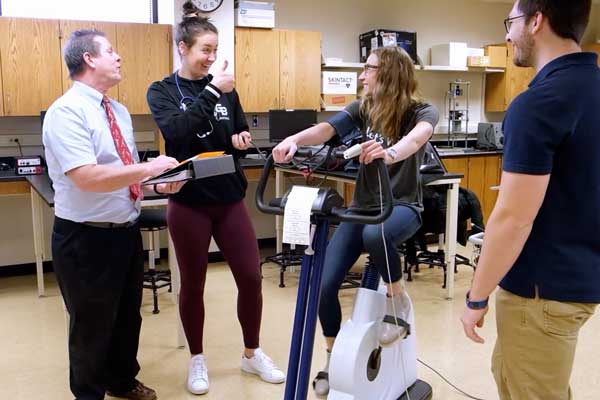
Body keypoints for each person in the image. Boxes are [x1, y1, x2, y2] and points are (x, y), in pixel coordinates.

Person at [272, 46, 439, 395]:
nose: (362, 76)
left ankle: (396, 299)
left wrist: (388, 153)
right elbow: (325, 131)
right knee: (324, 284)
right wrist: (292, 140)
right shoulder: (364, 109)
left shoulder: (421, 111)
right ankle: (333, 358)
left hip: (403, 205)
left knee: (375, 238)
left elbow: (417, 138)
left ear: (390, 74)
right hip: (363, 208)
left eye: (369, 69)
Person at [461, 1, 600, 399]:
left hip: (540, 292)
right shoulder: (591, 86)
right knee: (518, 376)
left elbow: (512, 220)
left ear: (537, 21)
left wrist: (477, 295)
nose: (507, 35)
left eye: (512, 22)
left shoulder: (538, 103)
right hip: (580, 277)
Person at [146, 1, 285, 395]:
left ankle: (251, 352)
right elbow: (179, 133)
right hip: (189, 202)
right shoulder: (162, 91)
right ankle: (197, 359)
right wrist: (210, 91)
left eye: (215, 50)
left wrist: (240, 141)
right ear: (182, 49)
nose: (211, 57)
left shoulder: (227, 90)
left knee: (251, 276)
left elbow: (236, 136)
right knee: (193, 283)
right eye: (205, 50)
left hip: (228, 199)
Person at [43, 29, 184, 400]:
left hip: (124, 230)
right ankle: (88, 394)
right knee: (91, 323)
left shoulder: (117, 111)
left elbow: (122, 172)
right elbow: (87, 177)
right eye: (110, 50)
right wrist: (148, 170)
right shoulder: (66, 112)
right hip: (84, 238)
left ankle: (122, 381)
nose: (119, 56)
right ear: (89, 59)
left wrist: (156, 186)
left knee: (126, 317)